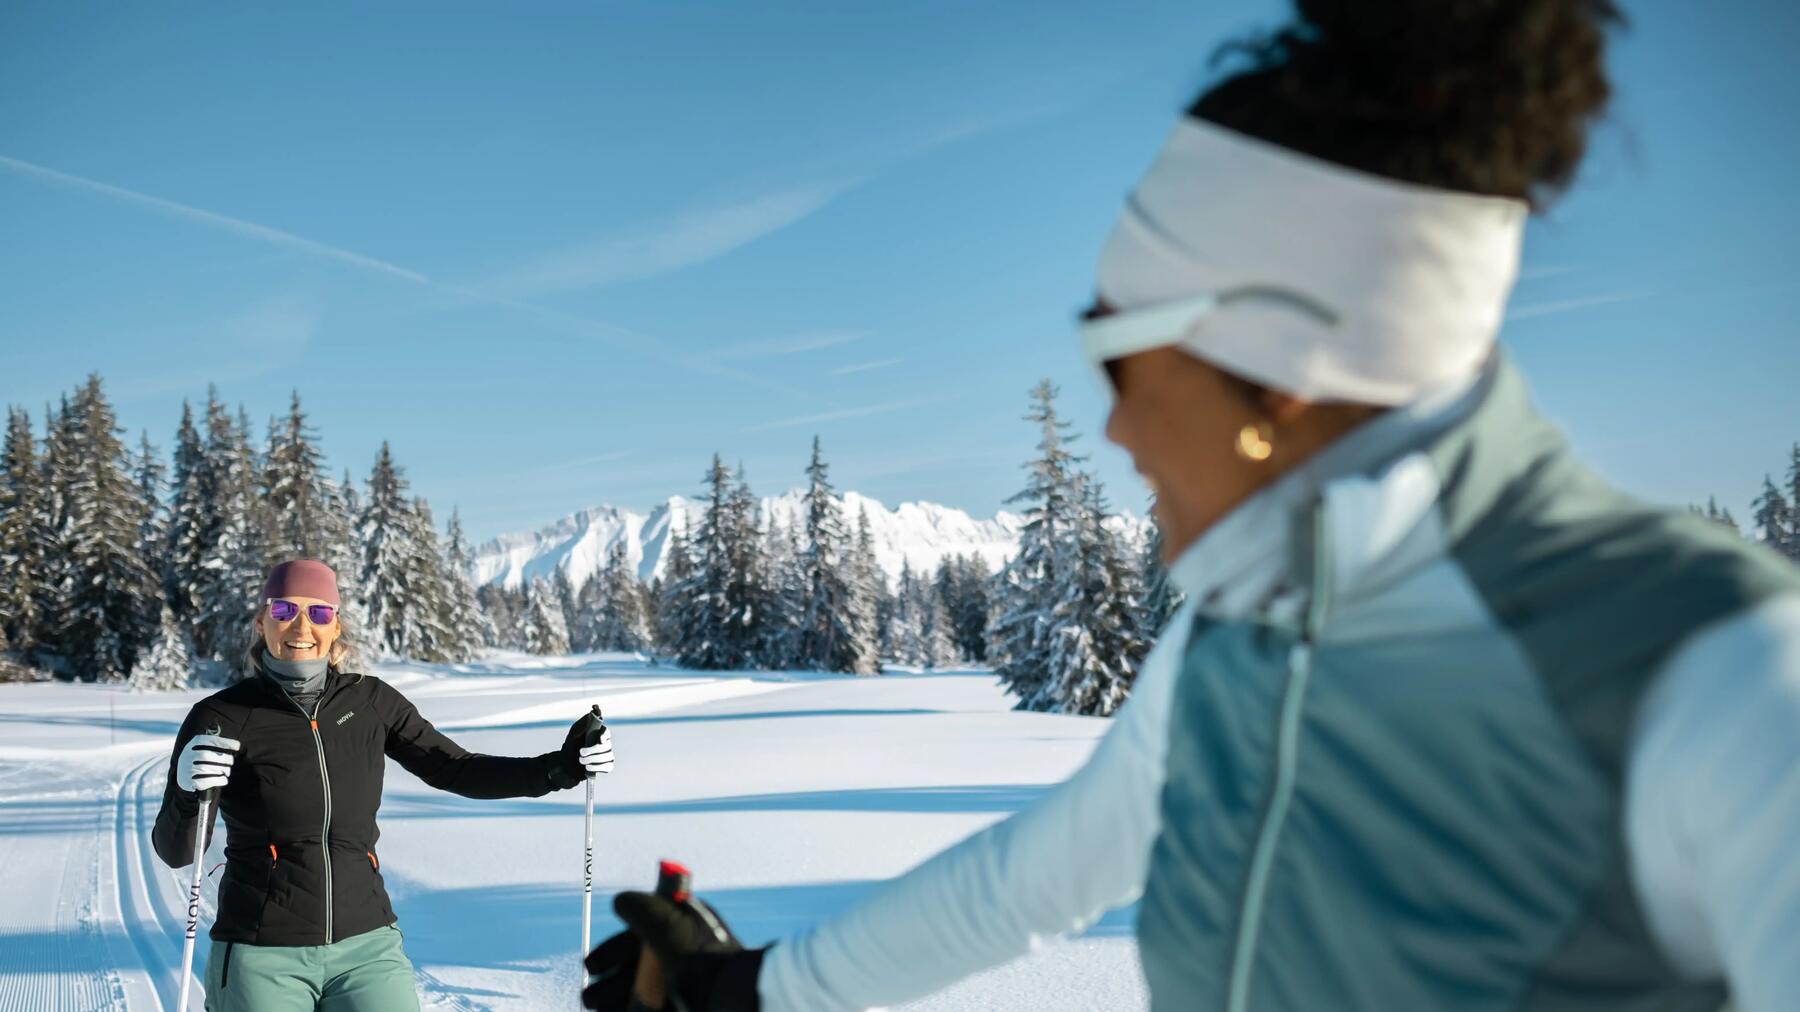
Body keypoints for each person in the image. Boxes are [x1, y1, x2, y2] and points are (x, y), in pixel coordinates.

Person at [581, 1, 1800, 1010]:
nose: (1109, 424)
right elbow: (1020, 887)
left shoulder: (1715, 666)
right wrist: (738, 991)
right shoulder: (1243, 645)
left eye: (1117, 357)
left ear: (1275, 366)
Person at [153, 559, 616, 1011]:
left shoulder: (371, 702)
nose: (300, 626)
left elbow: (455, 767)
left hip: (366, 946)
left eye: (318, 612)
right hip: (261, 950)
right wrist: (186, 791)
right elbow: (178, 852)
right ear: (261, 622)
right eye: (283, 610)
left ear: (336, 627)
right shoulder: (223, 717)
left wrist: (560, 769)